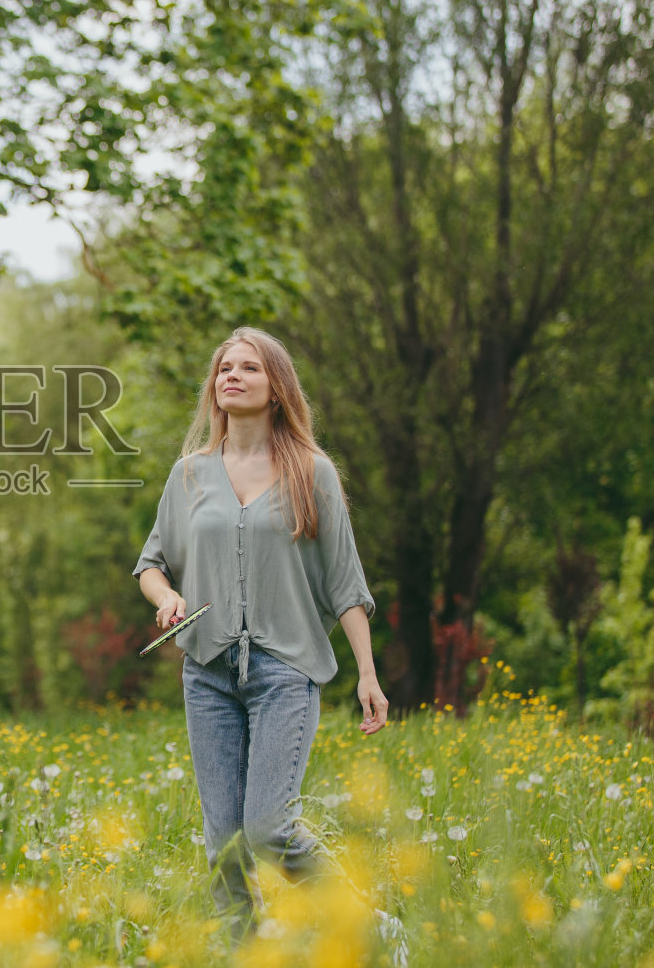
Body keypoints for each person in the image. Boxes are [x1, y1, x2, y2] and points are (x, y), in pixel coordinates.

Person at [133, 325, 389, 933]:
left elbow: (345, 584)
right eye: (224, 367)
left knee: (269, 828)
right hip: (208, 674)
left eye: (248, 367)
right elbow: (151, 565)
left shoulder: (312, 472)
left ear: (276, 387)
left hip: (285, 671)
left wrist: (367, 676)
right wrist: (167, 596)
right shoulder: (190, 474)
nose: (231, 376)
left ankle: (369, 927)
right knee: (225, 842)